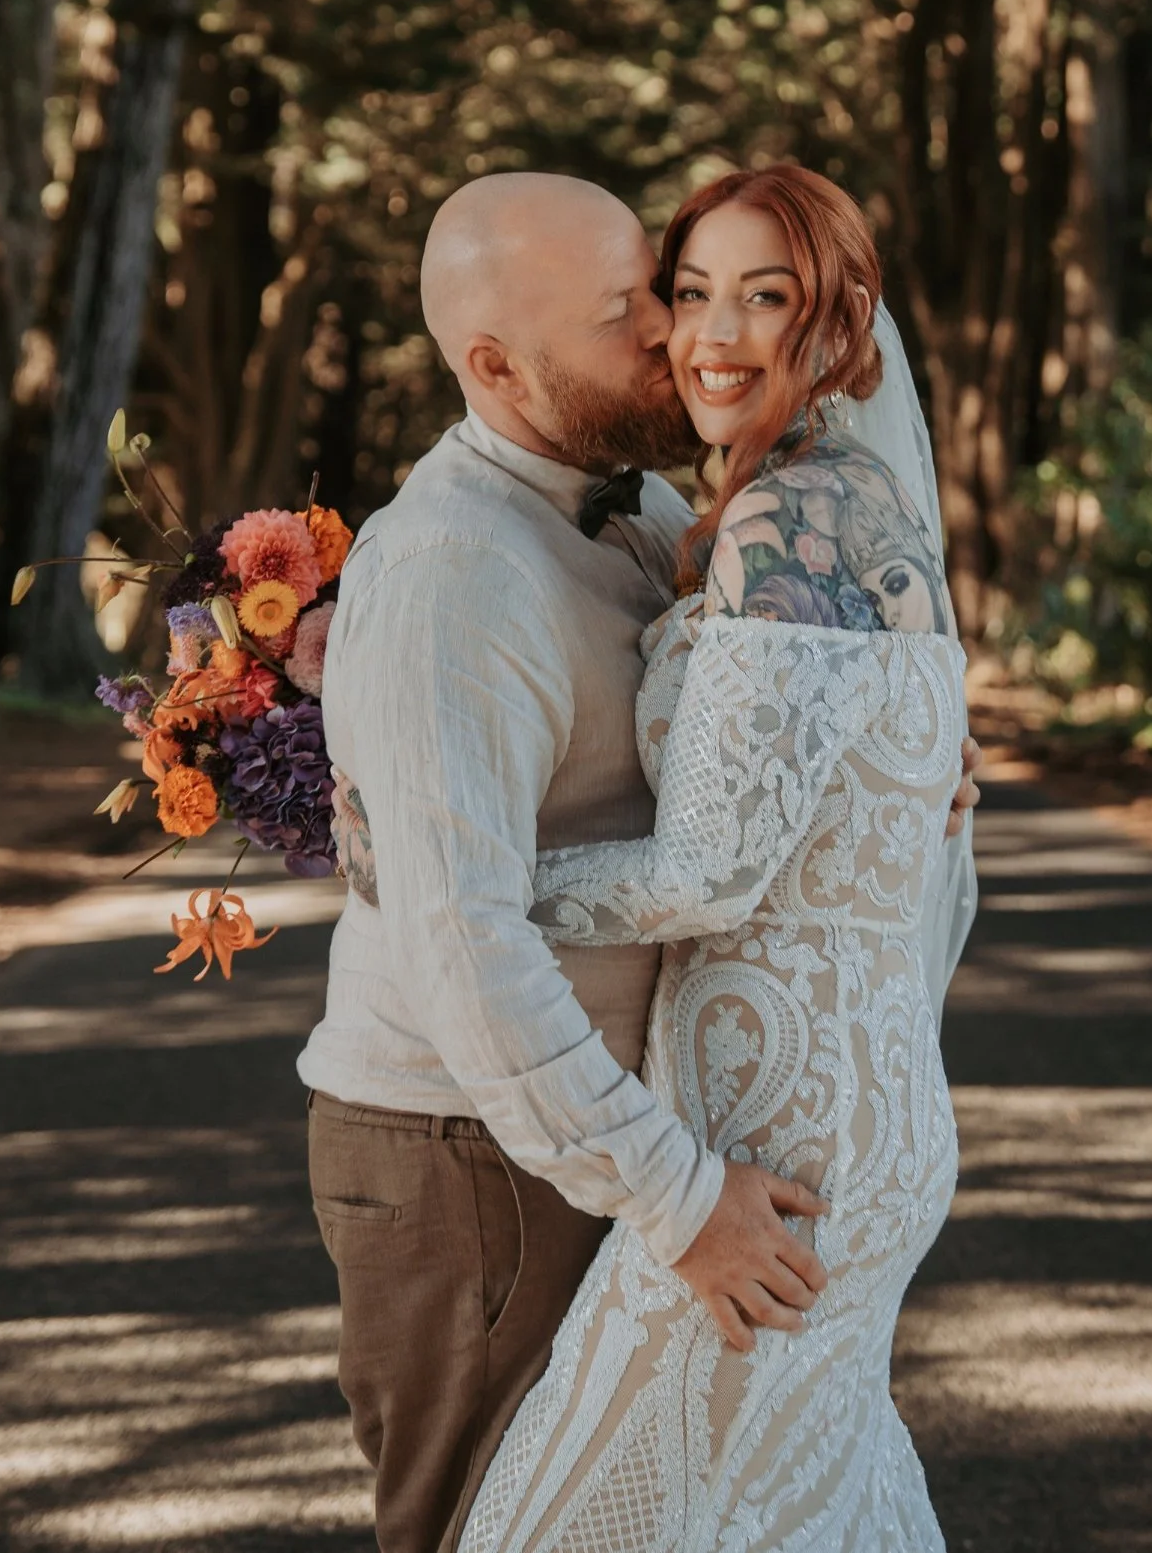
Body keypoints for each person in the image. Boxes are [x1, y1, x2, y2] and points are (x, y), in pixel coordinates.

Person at [299, 170, 979, 1553]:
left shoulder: (656, 513)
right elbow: (464, 949)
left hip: (608, 1131)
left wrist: (894, 779)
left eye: (659, 290)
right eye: (633, 313)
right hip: (473, 1155)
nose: (674, 339)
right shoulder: (449, 572)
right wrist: (680, 1203)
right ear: (495, 364)